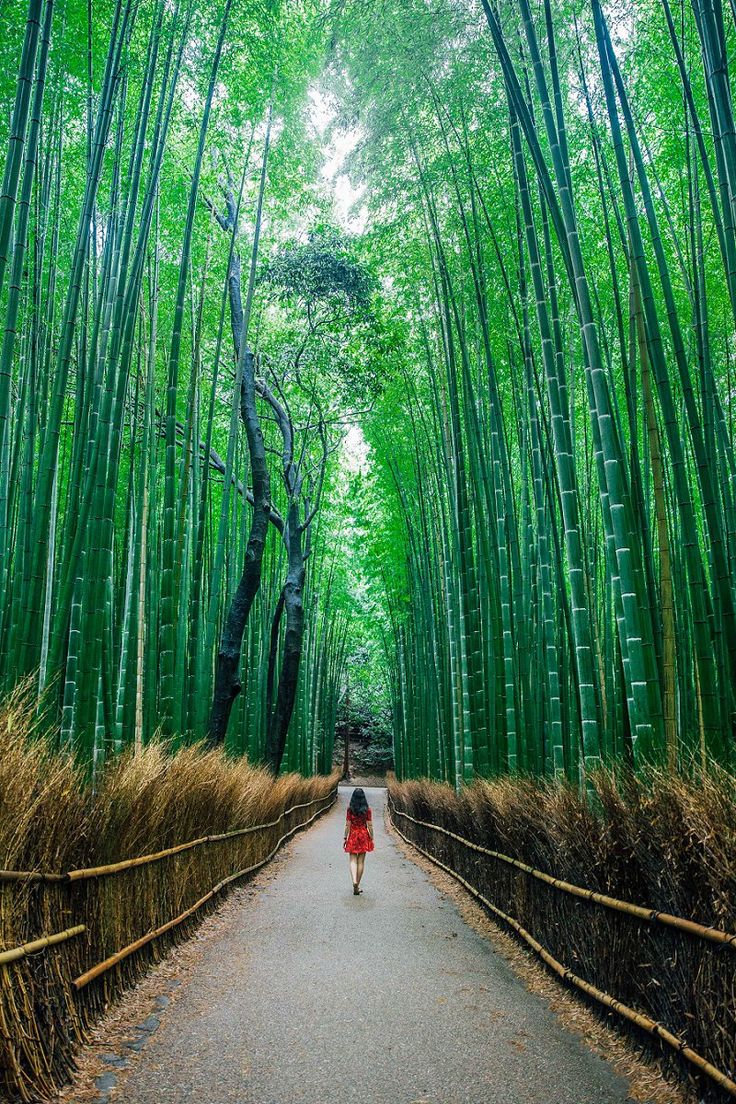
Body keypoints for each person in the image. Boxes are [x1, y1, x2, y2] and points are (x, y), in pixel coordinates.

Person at [343, 787, 374, 894]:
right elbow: (370, 825)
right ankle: (358, 885)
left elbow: (348, 825)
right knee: (361, 861)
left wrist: (344, 837)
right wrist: (372, 837)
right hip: (363, 835)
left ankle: (354, 881)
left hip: (353, 835)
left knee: (352, 860)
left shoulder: (349, 809)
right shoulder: (367, 810)